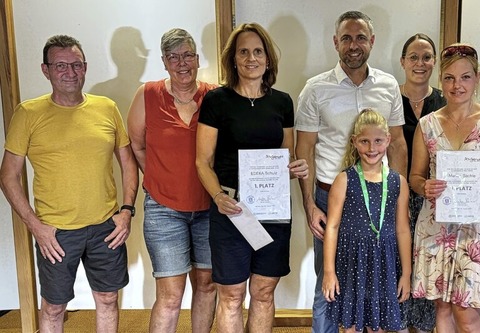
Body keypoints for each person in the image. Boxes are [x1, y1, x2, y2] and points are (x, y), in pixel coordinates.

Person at [0, 35, 138, 332]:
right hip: (56, 232)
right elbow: (8, 175)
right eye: (60, 65)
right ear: (45, 70)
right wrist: (35, 225)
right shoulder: (28, 113)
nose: (70, 72)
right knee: (54, 307)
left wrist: (126, 211)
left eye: (76, 65)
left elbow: (128, 163)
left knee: (108, 298)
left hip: (106, 226)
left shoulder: (106, 108)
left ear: (85, 67)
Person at [295, 11, 407, 333]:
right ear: (335, 42)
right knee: (328, 281)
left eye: (360, 37)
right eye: (346, 38)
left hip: (379, 197)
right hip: (330, 196)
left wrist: (396, 193)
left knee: (376, 278)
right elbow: (304, 150)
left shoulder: (387, 86)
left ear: (371, 41)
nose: (353, 45)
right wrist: (309, 204)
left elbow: (397, 142)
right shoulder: (315, 89)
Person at [195, 23, 308, 333]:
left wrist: (297, 167)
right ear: (233, 59)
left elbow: (287, 154)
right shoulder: (217, 101)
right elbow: (202, 161)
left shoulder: (282, 102)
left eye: (258, 51)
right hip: (231, 209)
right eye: (243, 52)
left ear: (268, 59)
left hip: (272, 211)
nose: (251, 58)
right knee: (231, 295)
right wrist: (218, 196)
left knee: (263, 292)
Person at [410, 44, 480, 333]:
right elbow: (415, 177)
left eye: (465, 77)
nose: (458, 85)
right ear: (440, 80)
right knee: (442, 309)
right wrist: (424, 186)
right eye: (450, 78)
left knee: (466, 314)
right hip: (435, 229)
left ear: (477, 78)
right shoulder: (427, 125)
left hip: (477, 232)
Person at [127, 28, 217, 333]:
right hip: (164, 211)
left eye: (188, 55)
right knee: (170, 294)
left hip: (209, 207)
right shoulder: (148, 94)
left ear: (197, 58)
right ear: (165, 61)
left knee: (206, 285)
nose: (182, 63)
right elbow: (136, 144)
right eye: (174, 57)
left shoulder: (215, 96)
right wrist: (157, 175)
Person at [322, 109, 412, 332]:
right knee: (351, 324)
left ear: (388, 140)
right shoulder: (344, 179)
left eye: (378, 141)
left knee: (379, 324)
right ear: (354, 142)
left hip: (385, 262)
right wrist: (329, 271)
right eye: (364, 141)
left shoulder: (398, 182)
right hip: (353, 260)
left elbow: (402, 229)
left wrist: (407, 274)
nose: (372, 148)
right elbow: (332, 227)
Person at [397, 32, 446, 333]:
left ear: (434, 63)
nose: (420, 63)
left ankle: (426, 327)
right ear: (402, 61)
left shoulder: (445, 100)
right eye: (413, 57)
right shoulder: (389, 98)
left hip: (435, 199)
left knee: (429, 264)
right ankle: (399, 325)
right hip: (396, 196)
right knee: (399, 262)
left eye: (426, 57)